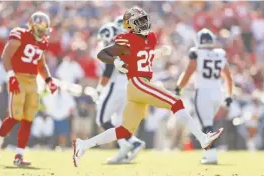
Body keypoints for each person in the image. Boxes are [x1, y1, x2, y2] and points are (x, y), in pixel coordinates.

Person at [72, 7, 224, 167]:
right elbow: (102, 54)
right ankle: (202, 138)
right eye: (139, 21)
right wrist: (115, 61)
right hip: (138, 83)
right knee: (176, 102)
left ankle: (84, 145)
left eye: (144, 19)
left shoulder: (149, 38)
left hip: (138, 86)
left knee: (124, 131)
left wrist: (159, 53)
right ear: (131, 25)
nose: (144, 23)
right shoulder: (126, 39)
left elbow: (143, 58)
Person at [0, 12, 58, 166]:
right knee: (15, 116)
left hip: (33, 80)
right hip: (18, 77)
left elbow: (41, 64)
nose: (43, 32)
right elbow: (6, 56)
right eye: (41, 29)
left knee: (29, 118)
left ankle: (19, 156)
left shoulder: (42, 42)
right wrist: (11, 76)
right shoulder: (20, 35)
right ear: (33, 26)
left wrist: (48, 80)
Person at [175, 28, 233, 164]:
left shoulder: (197, 53)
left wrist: (179, 88)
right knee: (207, 124)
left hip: (203, 92)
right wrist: (229, 95)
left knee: (206, 125)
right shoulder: (220, 54)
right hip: (218, 93)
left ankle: (211, 155)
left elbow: (189, 72)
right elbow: (229, 78)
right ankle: (208, 153)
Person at [95, 21, 145, 164]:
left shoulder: (114, 46)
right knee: (118, 122)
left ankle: (125, 144)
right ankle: (132, 142)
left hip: (117, 85)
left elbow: (108, 71)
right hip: (130, 84)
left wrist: (98, 90)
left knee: (102, 119)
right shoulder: (128, 43)